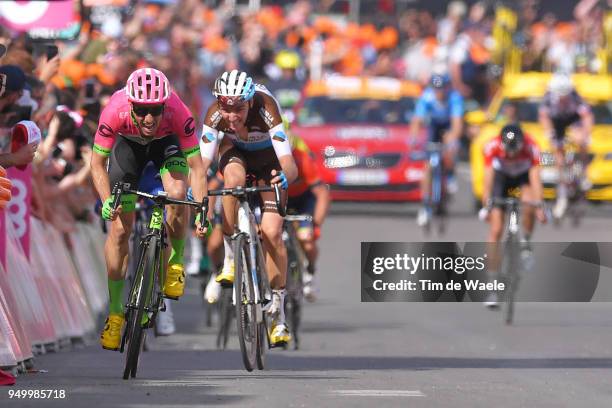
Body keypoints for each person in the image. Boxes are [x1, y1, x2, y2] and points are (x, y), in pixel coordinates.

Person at [91, 68, 208, 350]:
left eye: (155, 111)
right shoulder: (114, 111)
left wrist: (204, 210)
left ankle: (175, 262)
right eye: (142, 111)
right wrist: (108, 200)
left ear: (164, 105)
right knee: (119, 231)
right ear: (131, 104)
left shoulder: (178, 111)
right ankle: (116, 313)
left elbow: (197, 168)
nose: (148, 118)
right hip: (127, 149)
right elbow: (96, 164)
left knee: (178, 193)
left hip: (166, 146)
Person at [199, 69, 298, 346]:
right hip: (236, 156)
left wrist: (284, 177)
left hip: (270, 164)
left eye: (239, 109)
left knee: (272, 233)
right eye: (226, 108)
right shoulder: (214, 114)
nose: (231, 116)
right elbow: (202, 164)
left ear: (251, 101)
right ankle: (231, 257)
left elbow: (290, 164)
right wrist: (197, 196)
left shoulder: (267, 107)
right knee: (232, 180)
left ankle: (278, 314)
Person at [480, 124, 546, 307]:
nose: (511, 155)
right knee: (496, 229)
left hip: (522, 178)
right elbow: (488, 180)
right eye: (508, 151)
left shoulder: (531, 147)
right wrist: (486, 205)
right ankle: (493, 285)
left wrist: (539, 205)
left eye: (515, 151)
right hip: (501, 180)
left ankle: (525, 242)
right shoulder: (491, 147)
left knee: (529, 203)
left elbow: (535, 178)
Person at [410, 74, 464, 227]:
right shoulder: (426, 97)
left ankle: (451, 174)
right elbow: (417, 120)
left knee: (450, 142)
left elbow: (457, 124)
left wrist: (453, 141)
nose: (439, 92)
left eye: (442, 89)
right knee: (427, 166)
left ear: (447, 88)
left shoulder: (455, 98)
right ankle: (425, 204)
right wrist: (413, 140)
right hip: (434, 127)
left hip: (448, 126)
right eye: (436, 89)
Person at [538, 73, 593, 220]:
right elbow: (544, 118)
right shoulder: (548, 98)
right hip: (557, 123)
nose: (562, 97)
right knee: (558, 155)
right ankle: (562, 195)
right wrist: (550, 134)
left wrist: (586, 134)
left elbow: (587, 116)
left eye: (565, 94)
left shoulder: (575, 96)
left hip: (573, 119)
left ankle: (583, 173)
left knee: (582, 140)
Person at [286, 131, 330, 302]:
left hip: (303, 200)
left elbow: (322, 194)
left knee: (306, 239)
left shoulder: (302, 158)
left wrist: (316, 224)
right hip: (279, 198)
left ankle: (310, 272)